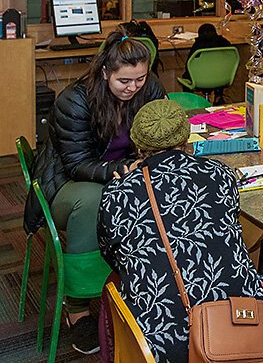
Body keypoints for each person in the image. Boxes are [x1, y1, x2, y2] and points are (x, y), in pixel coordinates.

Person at [23, 30, 165, 354]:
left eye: (140, 80)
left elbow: (159, 129)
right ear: (105, 72)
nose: (133, 88)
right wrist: (120, 171)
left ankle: (142, 284)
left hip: (121, 176)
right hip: (67, 186)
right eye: (124, 81)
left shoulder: (150, 88)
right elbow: (76, 164)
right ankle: (78, 306)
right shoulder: (74, 100)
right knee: (93, 201)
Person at [98, 99, 263, 361]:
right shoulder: (220, 174)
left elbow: (112, 255)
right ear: (186, 139)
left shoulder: (118, 192)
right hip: (243, 324)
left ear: (139, 146)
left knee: (113, 286)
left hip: (163, 344)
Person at [181, 23, 233, 100]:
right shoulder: (225, 42)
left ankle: (190, 101)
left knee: (185, 76)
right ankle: (218, 96)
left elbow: (188, 66)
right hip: (221, 78)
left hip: (199, 79)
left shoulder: (198, 45)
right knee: (218, 69)